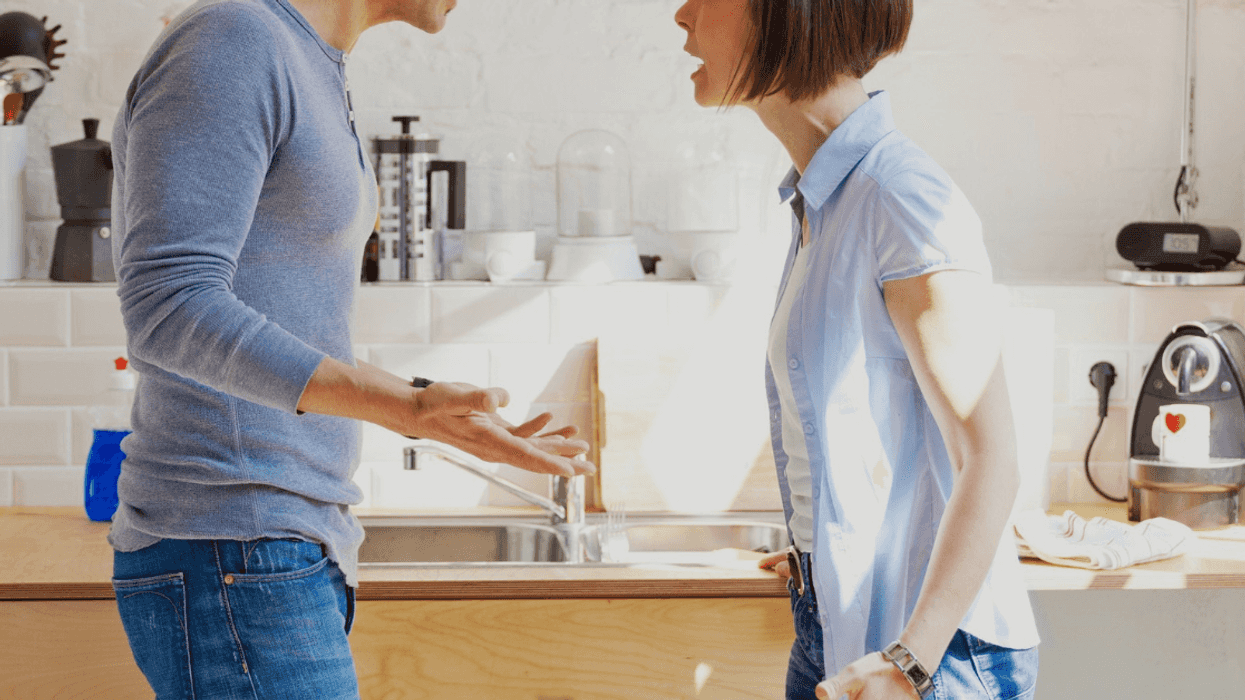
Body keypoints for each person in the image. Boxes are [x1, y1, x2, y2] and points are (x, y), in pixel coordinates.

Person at [108, 1, 593, 698]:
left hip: (270, 548)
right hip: (234, 540)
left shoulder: (304, 56)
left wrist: (419, 412)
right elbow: (168, 305)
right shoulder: (235, 40)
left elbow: (284, 326)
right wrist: (400, 405)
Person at [673, 2, 1040, 699]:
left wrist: (909, 660)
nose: (681, 15)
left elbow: (989, 457)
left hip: (928, 657)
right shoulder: (826, 200)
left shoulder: (899, 198)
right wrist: (817, 551)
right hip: (838, 626)